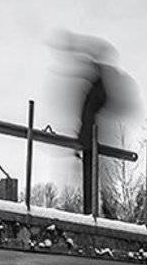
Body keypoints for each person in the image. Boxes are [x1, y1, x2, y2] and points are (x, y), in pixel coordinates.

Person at [53, 32, 139, 217]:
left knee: (101, 183)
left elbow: (95, 111)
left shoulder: (102, 84)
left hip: (98, 140)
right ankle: (99, 214)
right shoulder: (96, 84)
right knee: (93, 183)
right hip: (91, 140)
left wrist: (74, 44)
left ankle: (104, 215)